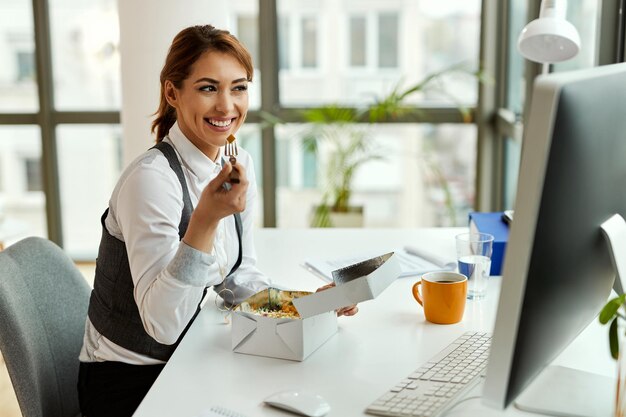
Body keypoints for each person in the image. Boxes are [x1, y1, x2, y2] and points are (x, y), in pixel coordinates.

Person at [77, 24, 357, 417]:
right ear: (173, 92)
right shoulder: (151, 181)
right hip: (131, 383)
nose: (227, 106)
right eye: (208, 88)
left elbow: (240, 279)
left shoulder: (238, 163)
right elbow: (163, 326)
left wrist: (304, 305)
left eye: (239, 87)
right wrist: (205, 220)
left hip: (190, 357)